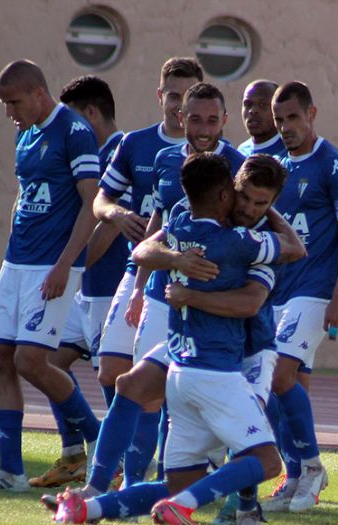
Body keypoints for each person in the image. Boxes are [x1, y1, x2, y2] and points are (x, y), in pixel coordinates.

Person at [53, 153, 304, 525]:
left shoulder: (249, 239)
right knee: (131, 386)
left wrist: (188, 295)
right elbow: (140, 252)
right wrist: (177, 260)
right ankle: (97, 493)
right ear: (228, 192)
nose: (251, 209)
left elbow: (251, 302)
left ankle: (246, 510)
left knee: (223, 454)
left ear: (272, 205)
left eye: (262, 204)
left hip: (247, 353)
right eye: (247, 199)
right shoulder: (207, 224)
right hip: (204, 359)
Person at [79, 82, 245, 496]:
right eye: (195, 119)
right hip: (160, 293)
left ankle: (217, 491)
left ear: (225, 121)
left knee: (188, 399)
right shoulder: (165, 160)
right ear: (180, 118)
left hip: (209, 308)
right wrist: (139, 285)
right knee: (137, 389)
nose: (204, 128)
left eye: (212, 120)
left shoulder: (239, 167)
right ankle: (117, 485)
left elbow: (252, 232)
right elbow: (156, 227)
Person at [0, 60, 101, 492]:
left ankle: (101, 440)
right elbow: (24, 196)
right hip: (17, 262)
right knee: (0, 359)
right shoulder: (24, 134)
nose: (9, 112)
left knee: (30, 361)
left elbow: (90, 203)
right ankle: (10, 471)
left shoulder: (74, 131)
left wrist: (65, 265)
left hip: (50, 266)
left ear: (39, 92)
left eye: (13, 102)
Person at [91, 58, 203, 486]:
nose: (178, 105)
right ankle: (131, 458)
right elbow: (100, 201)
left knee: (150, 380)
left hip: (178, 282)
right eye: (172, 95)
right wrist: (118, 215)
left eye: (187, 96)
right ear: (161, 96)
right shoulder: (139, 145)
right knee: (109, 370)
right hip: (139, 270)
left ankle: (139, 470)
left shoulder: (217, 157)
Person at [262, 81, 338, 512]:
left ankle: (313, 465)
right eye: (279, 120)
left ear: (311, 114)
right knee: (291, 387)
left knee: (279, 376)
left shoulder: (335, 165)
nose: (286, 127)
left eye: (293, 118)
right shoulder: (274, 167)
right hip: (280, 292)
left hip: (317, 290)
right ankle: (297, 474)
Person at [27, 75, 127, 488]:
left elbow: (109, 228)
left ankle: (116, 463)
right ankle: (73, 455)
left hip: (109, 288)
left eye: (70, 117)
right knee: (45, 362)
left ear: (89, 113)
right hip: (81, 288)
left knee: (114, 380)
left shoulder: (122, 151)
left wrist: (73, 265)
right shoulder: (83, 151)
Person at [237, 80, 286, 158]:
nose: (253, 111)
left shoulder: (289, 152)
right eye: (248, 104)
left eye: (262, 104)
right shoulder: (241, 152)